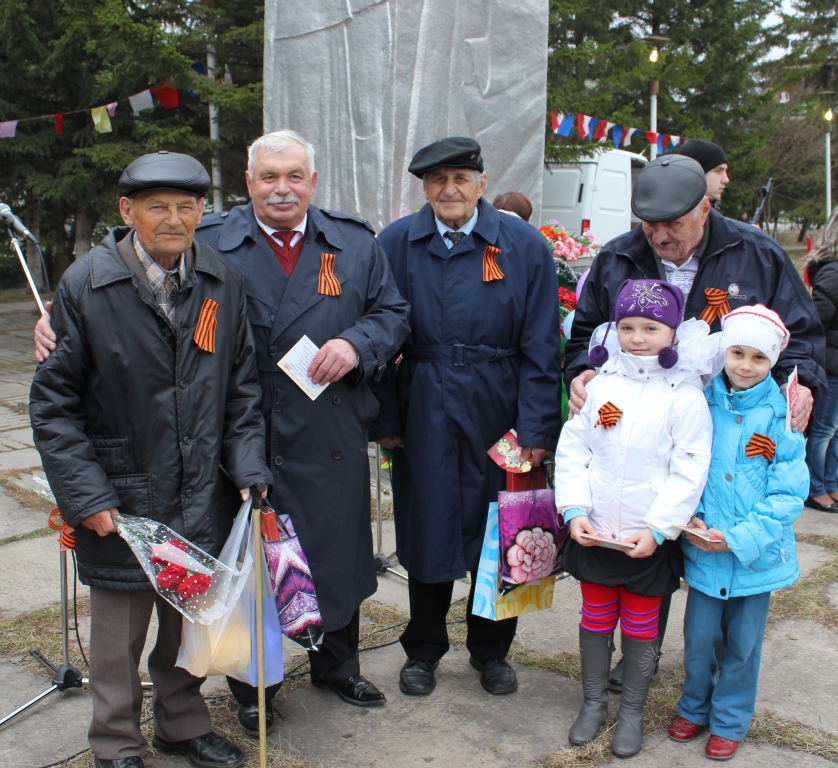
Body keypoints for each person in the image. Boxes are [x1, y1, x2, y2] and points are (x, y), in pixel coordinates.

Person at [34, 130, 411, 735]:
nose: (282, 188)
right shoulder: (209, 242)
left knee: (333, 557)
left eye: (294, 176)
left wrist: (355, 343)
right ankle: (246, 687)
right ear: (248, 183)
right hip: (214, 443)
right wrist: (53, 315)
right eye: (269, 177)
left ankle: (332, 666)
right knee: (236, 580)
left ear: (313, 182)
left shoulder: (349, 244)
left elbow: (390, 314)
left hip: (304, 433)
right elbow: (129, 255)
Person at [29, 152, 273, 768]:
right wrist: (88, 498)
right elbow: (54, 407)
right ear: (127, 211)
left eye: (186, 207)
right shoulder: (86, 284)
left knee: (185, 626)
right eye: (158, 207)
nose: (173, 219)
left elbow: (243, 388)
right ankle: (115, 743)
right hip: (122, 496)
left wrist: (248, 470)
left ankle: (182, 725)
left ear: (200, 212)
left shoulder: (221, 279)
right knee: (118, 639)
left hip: (202, 492)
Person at [563, 153, 824, 692]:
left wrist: (806, 386)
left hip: (729, 434)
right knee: (646, 547)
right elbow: (583, 332)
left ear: (704, 208)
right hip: (643, 434)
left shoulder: (756, 253)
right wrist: (579, 375)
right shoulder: (617, 258)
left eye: (674, 224)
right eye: (650, 225)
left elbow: (803, 335)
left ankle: (723, 673)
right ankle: (640, 656)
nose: (661, 236)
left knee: (719, 550)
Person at [372, 136, 562, 697]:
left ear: (481, 182)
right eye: (436, 180)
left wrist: (534, 430)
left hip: (498, 404)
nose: (449, 189)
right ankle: (424, 648)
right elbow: (379, 334)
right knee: (427, 523)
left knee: (503, 528)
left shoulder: (523, 245)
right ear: (424, 188)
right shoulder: (396, 243)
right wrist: (387, 418)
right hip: (424, 401)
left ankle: (492, 650)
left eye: (460, 177)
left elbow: (542, 346)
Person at [555, 278, 714, 757]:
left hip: (646, 540)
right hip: (598, 532)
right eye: (628, 327)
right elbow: (574, 448)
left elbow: (690, 467)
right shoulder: (601, 386)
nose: (639, 338)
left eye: (651, 327)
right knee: (596, 617)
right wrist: (575, 509)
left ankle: (633, 713)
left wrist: (660, 529)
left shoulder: (684, 396)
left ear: (673, 334)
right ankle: (593, 702)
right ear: (614, 329)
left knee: (642, 626)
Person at [669, 305, 807, 761]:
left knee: (743, 645)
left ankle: (729, 720)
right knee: (699, 638)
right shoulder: (703, 401)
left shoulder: (781, 414)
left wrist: (744, 536)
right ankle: (694, 705)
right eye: (737, 353)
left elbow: (788, 492)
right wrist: (697, 517)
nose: (745, 366)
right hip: (707, 550)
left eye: (758, 358)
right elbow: (690, 465)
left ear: (772, 362)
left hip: (756, 556)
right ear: (723, 352)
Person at [804, 208, 838, 512]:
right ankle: (815, 488)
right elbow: (817, 320)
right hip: (832, 367)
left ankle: (832, 482)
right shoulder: (834, 271)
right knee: (823, 430)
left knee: (835, 430)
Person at [679, 138, 729, 204]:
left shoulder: (707, 213)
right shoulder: (667, 212)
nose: (726, 180)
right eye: (718, 170)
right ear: (697, 173)